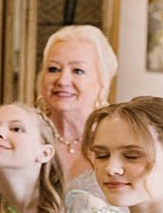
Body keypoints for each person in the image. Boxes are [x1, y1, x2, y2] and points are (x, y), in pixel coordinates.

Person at [35, 25, 118, 197]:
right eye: (53, 69)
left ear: (102, 82)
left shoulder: (120, 140)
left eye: (78, 70)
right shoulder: (28, 136)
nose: (63, 80)